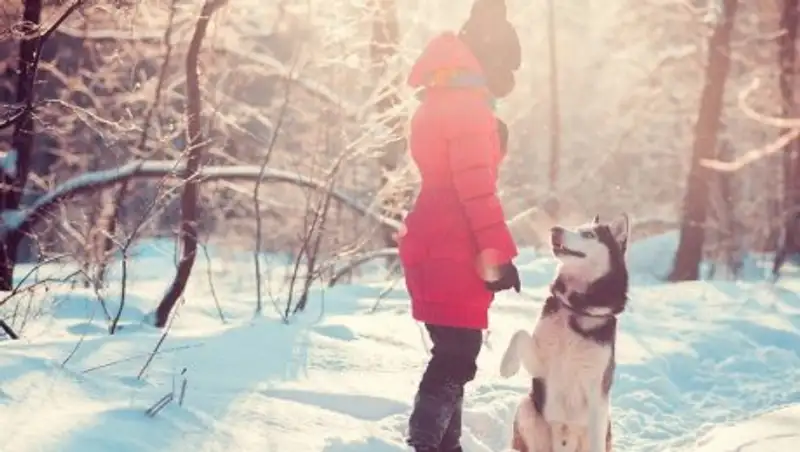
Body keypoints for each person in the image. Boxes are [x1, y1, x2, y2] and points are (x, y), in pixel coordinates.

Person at [396, 1, 522, 451]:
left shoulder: (440, 100)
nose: (508, 83)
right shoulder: (468, 108)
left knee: (452, 353)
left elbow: (454, 176)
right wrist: (499, 255)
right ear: (490, 58)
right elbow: (475, 191)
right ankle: (423, 443)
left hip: (433, 238)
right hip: (453, 243)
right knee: (455, 358)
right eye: (507, 69)